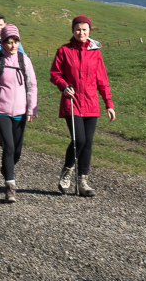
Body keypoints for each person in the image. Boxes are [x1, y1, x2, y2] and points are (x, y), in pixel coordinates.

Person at [49, 14, 115, 198]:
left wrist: (109, 104)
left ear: (89, 31)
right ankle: (67, 171)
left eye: (84, 29)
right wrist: (64, 86)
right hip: (72, 101)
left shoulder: (95, 53)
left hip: (91, 102)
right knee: (79, 139)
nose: (81, 32)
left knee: (88, 143)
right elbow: (55, 74)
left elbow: (102, 80)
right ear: (73, 30)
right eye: (78, 29)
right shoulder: (64, 50)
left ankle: (83, 182)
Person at [0, 24, 38, 204]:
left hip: (21, 112)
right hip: (1, 112)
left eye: (15, 41)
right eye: (9, 42)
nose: (13, 45)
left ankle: (7, 169)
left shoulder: (24, 61)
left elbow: (32, 86)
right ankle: (10, 187)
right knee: (9, 147)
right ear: (2, 43)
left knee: (17, 151)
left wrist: (31, 108)